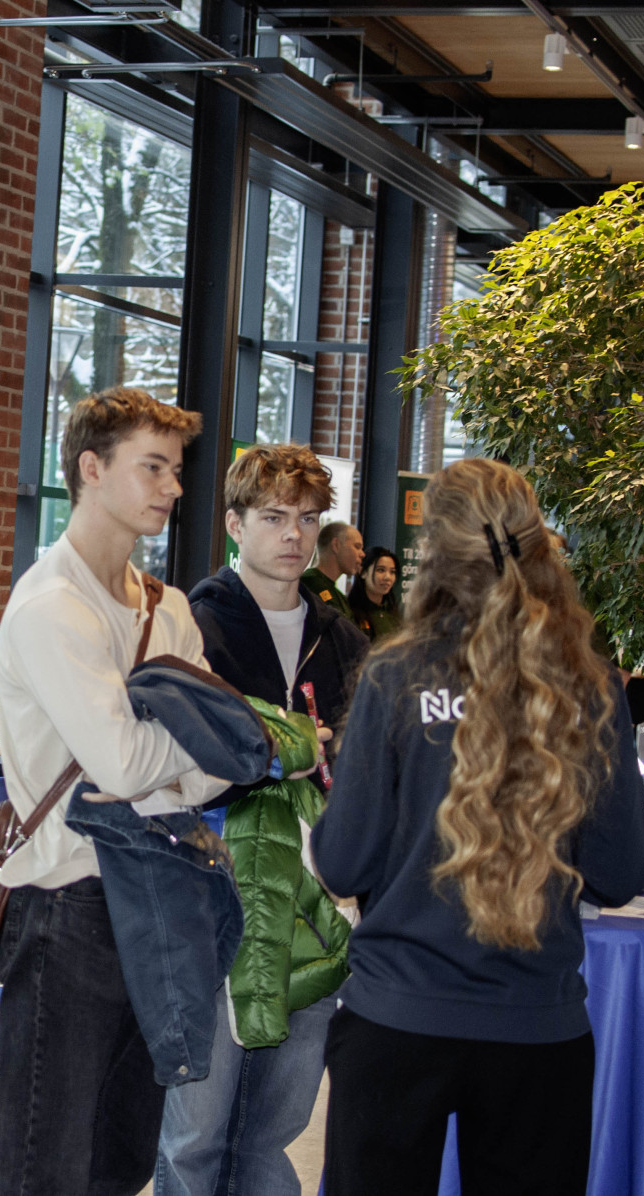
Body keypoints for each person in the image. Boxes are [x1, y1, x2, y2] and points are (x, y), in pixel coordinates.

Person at [313, 458, 644, 1196]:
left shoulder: (396, 675)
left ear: (435, 552)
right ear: (537, 545)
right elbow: (622, 872)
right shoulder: (589, 685)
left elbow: (342, 863)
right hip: (537, 1030)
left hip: (398, 1020)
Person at [0, 386, 229, 1196]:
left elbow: (220, 765)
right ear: (91, 469)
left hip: (160, 898)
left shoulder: (168, 606)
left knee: (121, 1160)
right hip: (69, 907)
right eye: (152, 467)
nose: (173, 486)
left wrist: (179, 752)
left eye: (176, 469)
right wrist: (184, 747)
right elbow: (126, 765)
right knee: (42, 1163)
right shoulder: (52, 605)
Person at [163, 444, 365, 1196]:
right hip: (211, 893)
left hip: (315, 903)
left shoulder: (343, 639)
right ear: (235, 524)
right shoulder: (191, 626)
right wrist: (280, 751)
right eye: (275, 516)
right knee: (194, 1135)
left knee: (272, 1132)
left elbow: (367, 766)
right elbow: (172, 762)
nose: (293, 535)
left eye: (307, 519)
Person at [301, 521, 363, 618]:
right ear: (336, 545)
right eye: (357, 547)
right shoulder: (309, 583)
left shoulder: (340, 596)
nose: (362, 554)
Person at [347, 546, 403, 644]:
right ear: (363, 572)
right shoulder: (349, 612)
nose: (387, 577)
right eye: (381, 570)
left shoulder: (394, 613)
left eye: (392, 572)